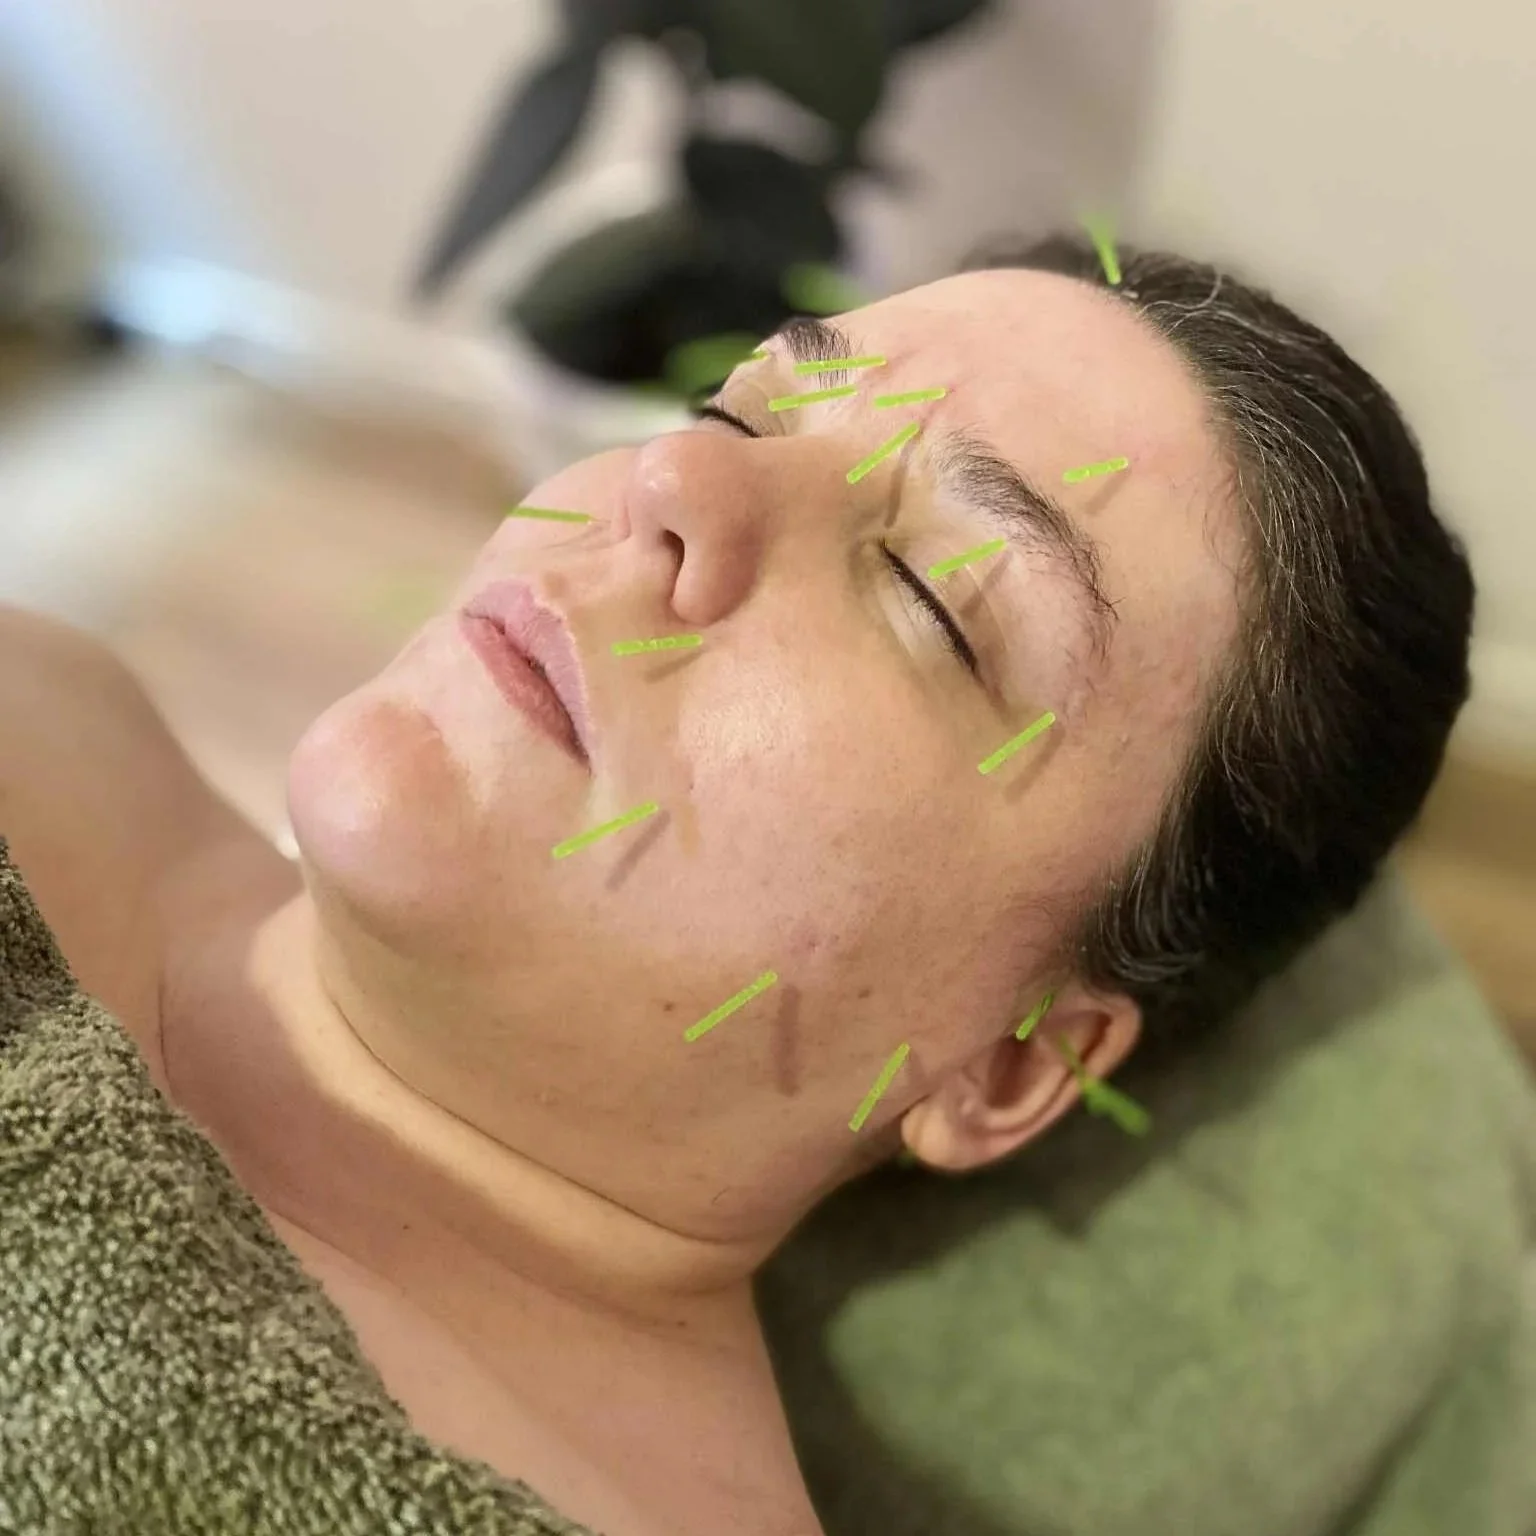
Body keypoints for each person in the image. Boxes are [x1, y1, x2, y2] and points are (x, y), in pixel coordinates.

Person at [0, 233, 1480, 1536]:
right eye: (738, 408)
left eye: (931, 596)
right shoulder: (57, 700)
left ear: (1013, 1067)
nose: (678, 474)